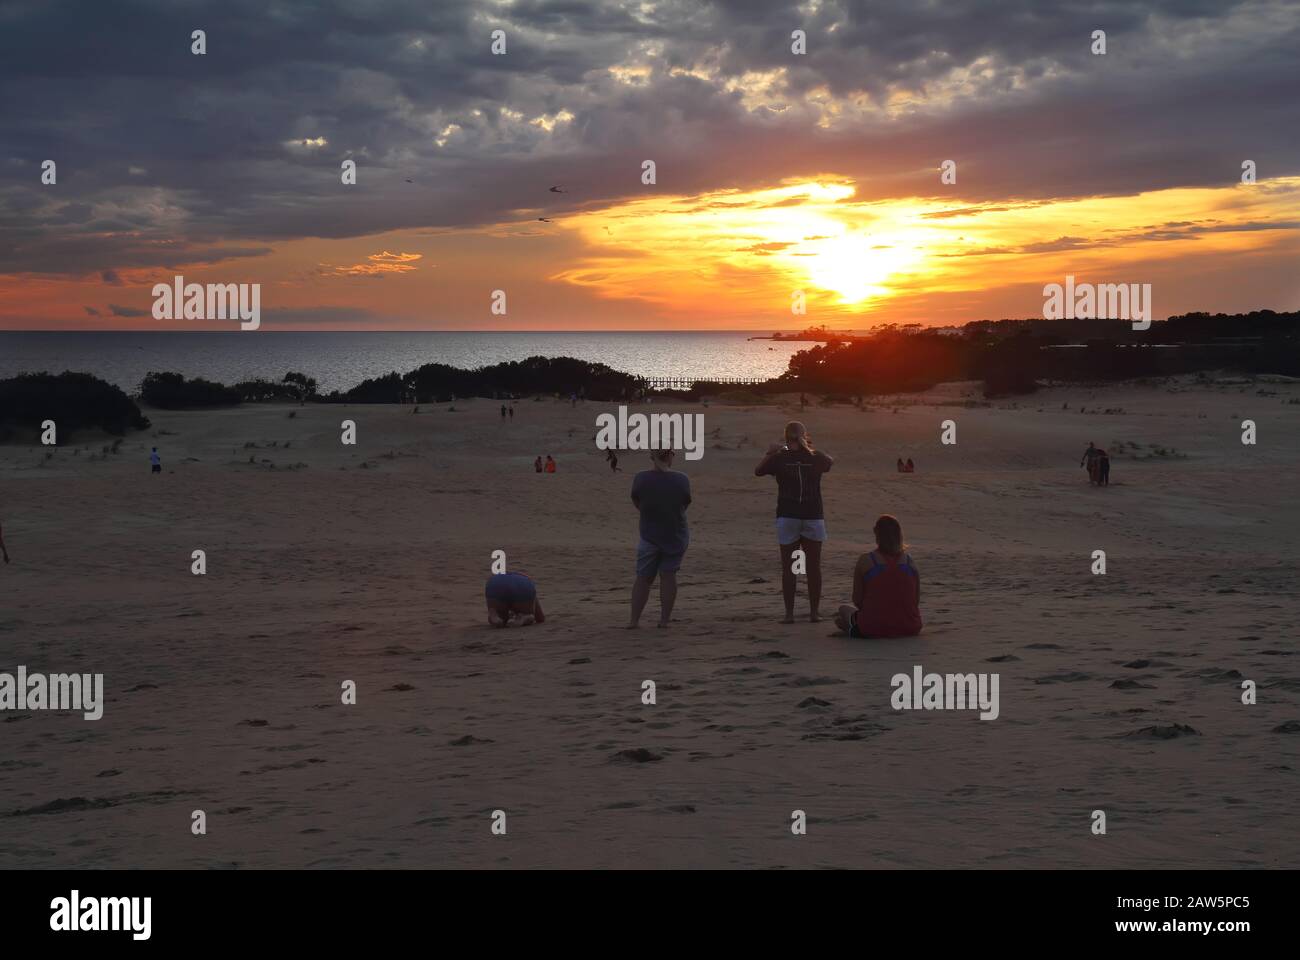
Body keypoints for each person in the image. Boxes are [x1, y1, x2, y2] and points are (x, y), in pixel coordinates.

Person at [754, 421, 833, 623]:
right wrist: (810, 448)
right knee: (813, 567)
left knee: (789, 567)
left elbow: (758, 471)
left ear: (786, 437)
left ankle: (789, 614)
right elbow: (830, 462)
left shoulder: (780, 458)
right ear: (804, 435)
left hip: (788, 515)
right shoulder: (816, 457)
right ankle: (814, 613)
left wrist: (771, 452)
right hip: (812, 515)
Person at [628, 449, 691, 628]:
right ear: (670, 457)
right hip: (675, 534)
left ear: (652, 457)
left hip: (649, 534)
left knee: (643, 577)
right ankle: (664, 620)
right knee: (668, 576)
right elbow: (684, 503)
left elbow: (637, 501)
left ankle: (634, 620)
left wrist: (651, 513)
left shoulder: (641, 477)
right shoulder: (681, 479)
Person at [834, 515, 922, 638]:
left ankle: (851, 628)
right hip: (910, 627)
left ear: (877, 535)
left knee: (843, 610)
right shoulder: (910, 562)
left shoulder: (865, 561)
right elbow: (915, 601)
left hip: (873, 628)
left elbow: (857, 600)